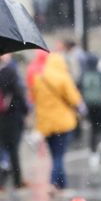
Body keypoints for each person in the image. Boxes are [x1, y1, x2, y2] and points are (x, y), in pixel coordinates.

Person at [31, 52, 82, 192]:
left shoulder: (39, 79)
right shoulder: (64, 78)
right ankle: (53, 182)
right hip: (62, 123)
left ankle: (62, 184)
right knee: (59, 155)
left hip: (46, 124)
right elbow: (74, 99)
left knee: (55, 155)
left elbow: (35, 99)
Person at [0, 52, 28, 190]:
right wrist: (25, 111)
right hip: (12, 116)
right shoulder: (9, 71)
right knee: (13, 149)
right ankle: (17, 181)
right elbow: (18, 93)